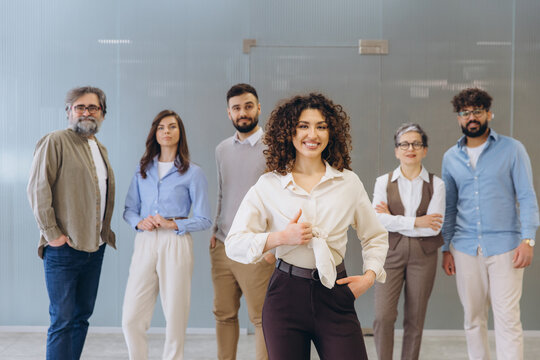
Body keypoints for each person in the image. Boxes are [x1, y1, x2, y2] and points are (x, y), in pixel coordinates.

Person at [225, 93, 389, 360]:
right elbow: (234, 244)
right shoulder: (269, 185)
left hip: (336, 294)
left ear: (331, 133)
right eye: (303, 126)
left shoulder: (349, 183)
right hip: (285, 297)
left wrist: (369, 277)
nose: (312, 134)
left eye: (321, 126)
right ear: (288, 131)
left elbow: (375, 236)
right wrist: (280, 237)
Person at [441, 88, 539, 360]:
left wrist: (528, 240)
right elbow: (449, 207)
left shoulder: (512, 149)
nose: (471, 117)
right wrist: (445, 248)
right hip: (464, 248)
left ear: (488, 114)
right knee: (473, 320)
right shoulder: (451, 157)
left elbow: (527, 197)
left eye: (477, 111)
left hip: (506, 247)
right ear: (459, 118)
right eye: (465, 113)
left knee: (507, 320)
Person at [27, 86, 116, 359]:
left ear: (102, 114)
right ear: (68, 112)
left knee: (80, 318)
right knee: (63, 322)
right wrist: (53, 234)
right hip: (64, 248)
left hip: (95, 247)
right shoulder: (55, 141)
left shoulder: (99, 148)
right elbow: (38, 190)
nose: (86, 112)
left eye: (93, 108)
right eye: (80, 107)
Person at [122, 110, 211, 360]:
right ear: (155, 133)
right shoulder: (142, 170)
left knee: (175, 315)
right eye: (161, 127)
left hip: (176, 242)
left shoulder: (193, 173)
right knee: (131, 318)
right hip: (145, 242)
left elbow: (204, 219)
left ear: (179, 132)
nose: (166, 132)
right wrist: (140, 222)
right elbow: (129, 210)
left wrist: (173, 224)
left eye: (172, 127)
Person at [210, 83, 274, 360]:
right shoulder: (222, 149)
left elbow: (283, 198)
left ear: (258, 108)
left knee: (261, 319)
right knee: (224, 315)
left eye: (248, 106)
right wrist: (214, 229)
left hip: (257, 247)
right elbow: (224, 191)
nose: (243, 112)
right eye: (237, 108)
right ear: (229, 113)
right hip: (223, 245)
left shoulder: (274, 147)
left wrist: (273, 245)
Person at [372, 123, 445, 360]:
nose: (410, 148)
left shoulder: (437, 184)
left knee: (415, 318)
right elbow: (378, 222)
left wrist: (395, 219)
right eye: (404, 144)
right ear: (396, 150)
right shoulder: (383, 181)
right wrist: (416, 222)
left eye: (416, 143)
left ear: (425, 150)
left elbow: (434, 228)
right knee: (383, 316)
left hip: (424, 257)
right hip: (389, 254)